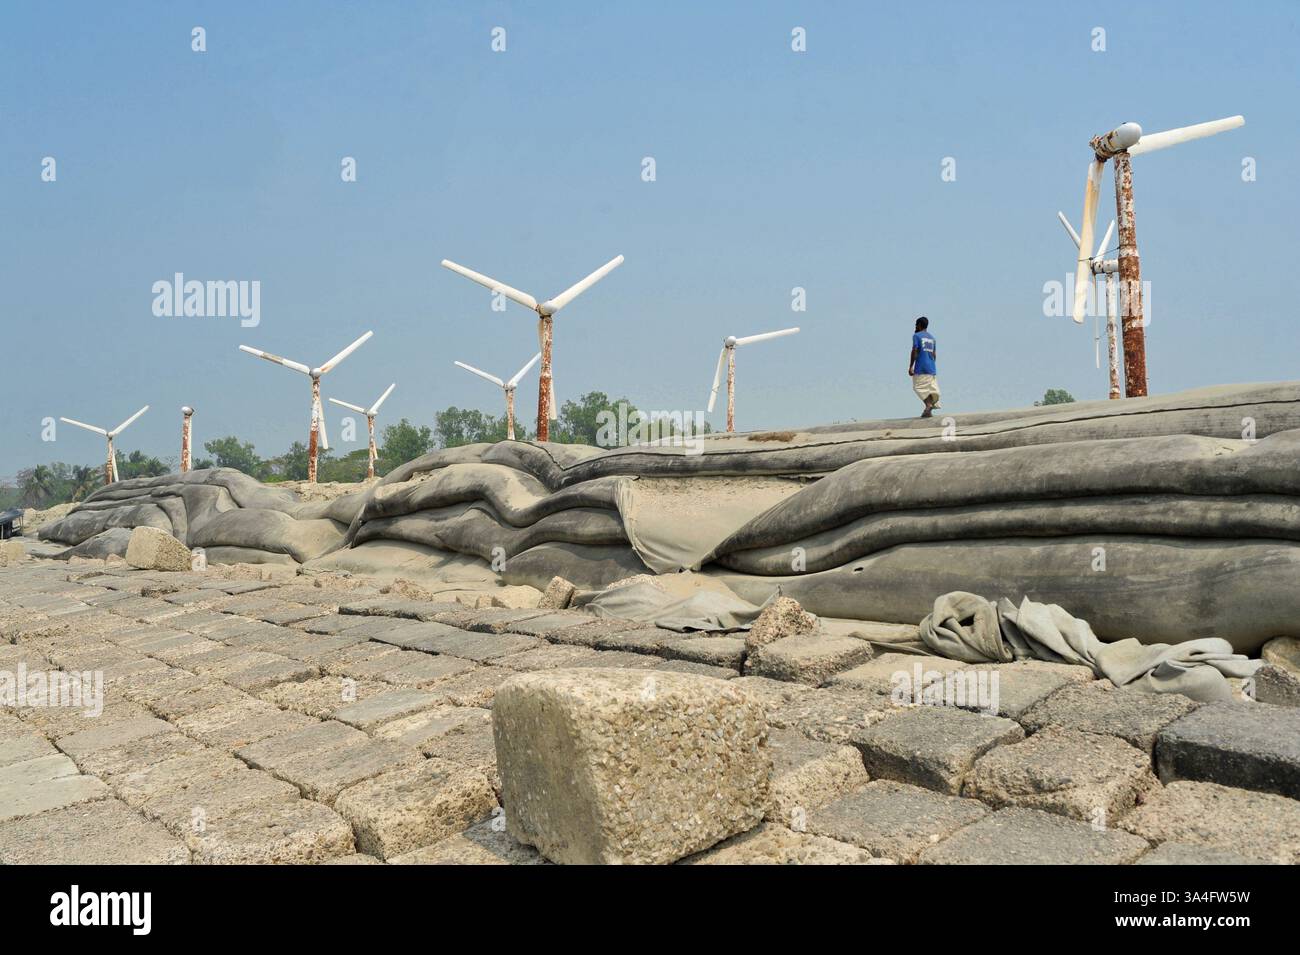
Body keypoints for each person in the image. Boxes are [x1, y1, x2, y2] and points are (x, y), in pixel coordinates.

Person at [908, 316, 941, 418]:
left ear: (919, 325)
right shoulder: (932, 338)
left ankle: (928, 405)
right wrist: (931, 364)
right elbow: (934, 354)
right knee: (930, 389)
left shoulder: (916, 336)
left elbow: (915, 350)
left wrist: (911, 366)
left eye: (916, 325)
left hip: (921, 366)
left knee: (919, 387)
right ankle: (928, 411)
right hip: (931, 367)